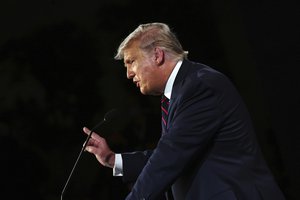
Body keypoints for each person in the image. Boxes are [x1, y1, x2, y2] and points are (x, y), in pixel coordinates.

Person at [83, 22, 286, 200]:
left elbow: (170, 155)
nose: (128, 74)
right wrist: (113, 159)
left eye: (131, 62)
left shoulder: (201, 86)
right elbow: (173, 151)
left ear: (157, 55)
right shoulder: (182, 91)